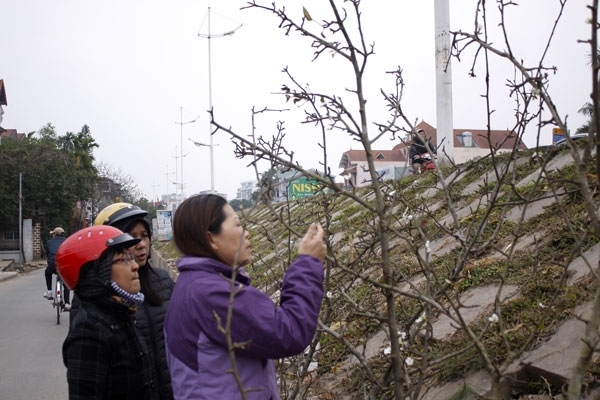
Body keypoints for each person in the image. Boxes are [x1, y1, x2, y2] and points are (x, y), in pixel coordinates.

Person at [164, 194, 326, 400]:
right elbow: (288, 332)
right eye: (238, 225)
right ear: (210, 238)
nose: (247, 233)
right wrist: (308, 264)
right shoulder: (211, 294)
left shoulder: (195, 285)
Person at [57, 225, 154, 399]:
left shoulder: (121, 313)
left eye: (131, 258)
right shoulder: (89, 331)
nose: (134, 266)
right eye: (124, 259)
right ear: (98, 273)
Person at [94, 202, 175, 400]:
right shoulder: (95, 296)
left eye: (144, 235)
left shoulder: (163, 281)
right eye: (131, 236)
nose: (141, 244)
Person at [43, 227, 71, 310]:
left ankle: (49, 292)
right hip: (63, 265)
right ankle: (67, 303)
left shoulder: (49, 242)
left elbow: (47, 255)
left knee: (47, 272)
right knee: (66, 282)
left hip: (53, 265)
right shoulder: (67, 241)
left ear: (54, 234)